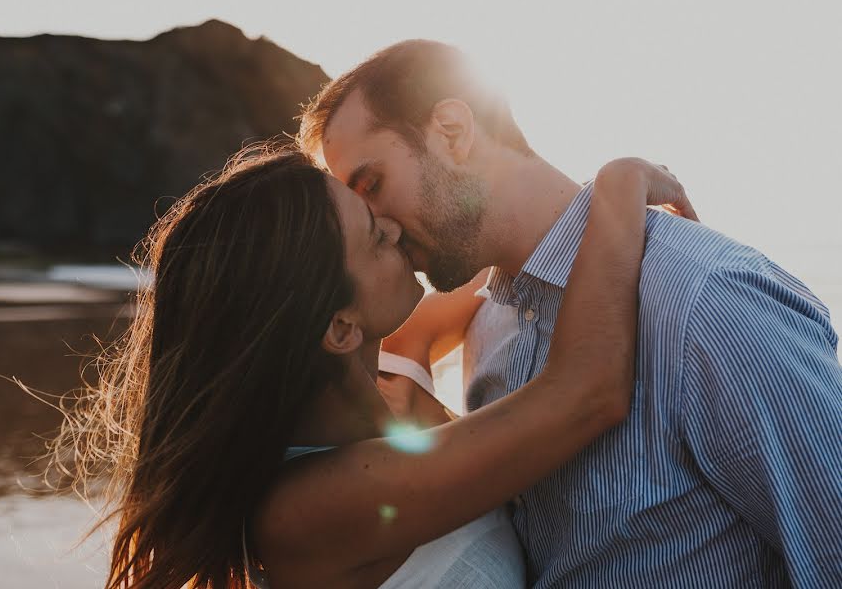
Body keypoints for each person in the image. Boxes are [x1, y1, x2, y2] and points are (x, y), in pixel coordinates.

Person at [298, 39, 842, 587]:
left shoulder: (704, 302)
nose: (382, 229)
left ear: (452, 133)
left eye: (373, 186)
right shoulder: (490, 326)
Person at [60, 145, 694, 588]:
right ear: (339, 327)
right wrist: (616, 187)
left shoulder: (390, 371)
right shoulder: (307, 511)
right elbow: (586, 392)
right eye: (377, 237)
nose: (396, 229)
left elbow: (489, 266)